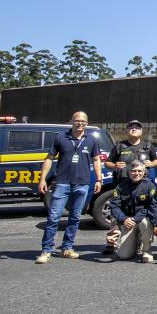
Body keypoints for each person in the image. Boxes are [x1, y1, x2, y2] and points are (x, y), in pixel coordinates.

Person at [36, 111, 103, 264]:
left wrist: (98, 179)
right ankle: (46, 250)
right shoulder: (61, 137)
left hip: (82, 184)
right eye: (77, 120)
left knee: (75, 218)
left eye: (83, 121)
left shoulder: (91, 140)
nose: (80, 123)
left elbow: (97, 160)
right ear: (72, 121)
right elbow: (49, 159)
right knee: (54, 217)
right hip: (62, 183)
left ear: (87, 123)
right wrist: (42, 180)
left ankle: (67, 248)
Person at [104, 160, 157, 263]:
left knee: (145, 221)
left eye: (139, 171)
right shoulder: (121, 186)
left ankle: (147, 250)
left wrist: (135, 219)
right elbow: (114, 206)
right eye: (133, 171)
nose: (136, 173)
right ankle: (136, 242)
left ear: (144, 172)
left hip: (139, 219)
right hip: (127, 222)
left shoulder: (149, 186)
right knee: (123, 255)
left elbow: (151, 207)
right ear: (129, 172)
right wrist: (123, 219)